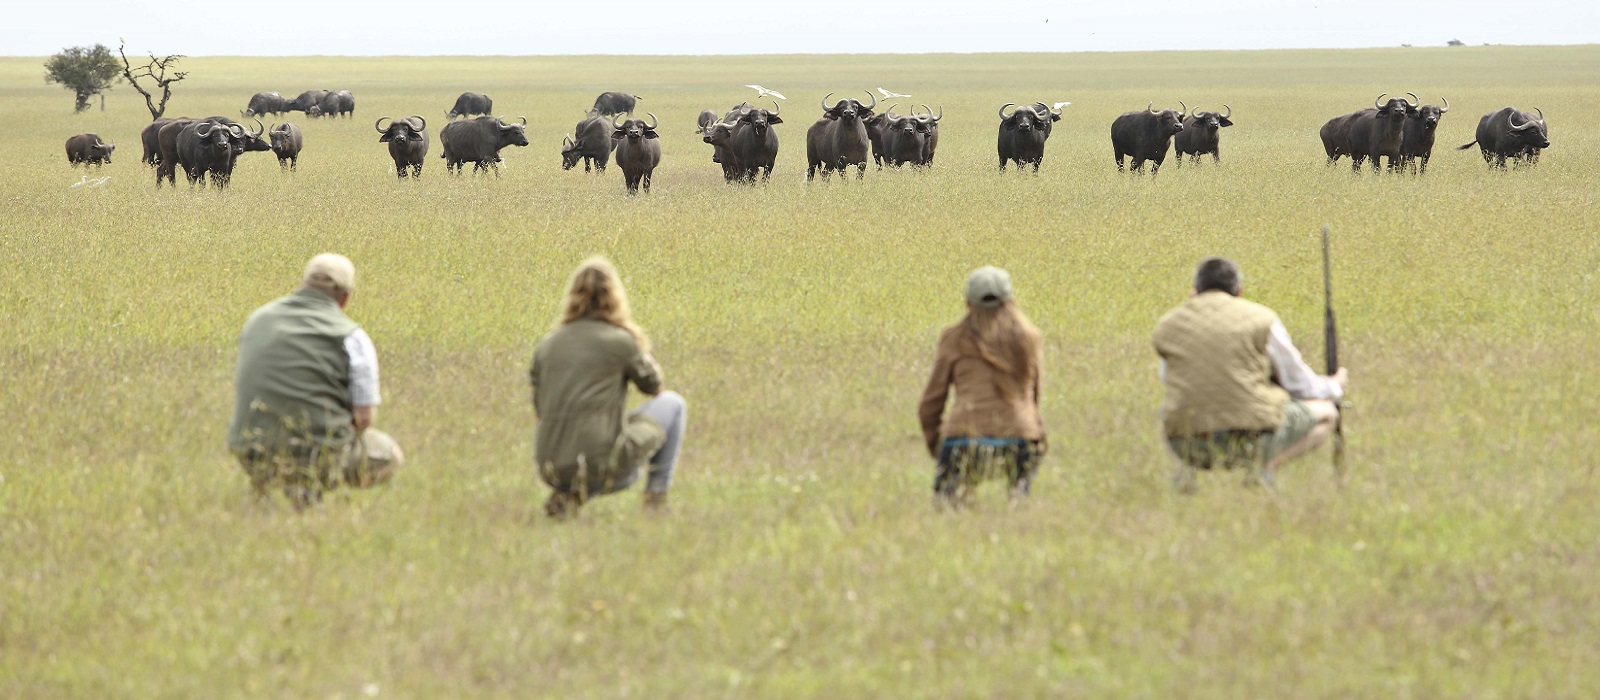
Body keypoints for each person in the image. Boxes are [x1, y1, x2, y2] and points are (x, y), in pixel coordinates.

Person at [1152, 257, 1348, 490]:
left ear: (1195, 291)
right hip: (1249, 438)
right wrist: (1334, 385)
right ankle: (1264, 469)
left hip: (1186, 444)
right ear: (1239, 291)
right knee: (1327, 414)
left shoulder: (1168, 325)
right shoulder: (1262, 319)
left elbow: (1169, 379)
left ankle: (1186, 475)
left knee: (1170, 414)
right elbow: (1300, 385)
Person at [228, 253, 404, 509]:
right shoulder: (353, 338)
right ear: (345, 298)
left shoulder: (258, 320)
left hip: (248, 449)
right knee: (389, 455)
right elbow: (364, 418)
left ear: (303, 285)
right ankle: (310, 498)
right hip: (315, 455)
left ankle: (264, 498)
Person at [530, 257, 686, 518]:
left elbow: (540, 410)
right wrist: (638, 346)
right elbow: (655, 388)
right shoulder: (620, 341)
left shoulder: (547, 345)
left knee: (598, 442)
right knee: (674, 404)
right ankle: (656, 502)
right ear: (615, 296)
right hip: (601, 464)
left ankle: (568, 497)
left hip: (550, 466)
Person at [917, 266, 1047, 505]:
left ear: (967, 303)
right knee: (1018, 501)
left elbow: (930, 404)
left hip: (964, 438)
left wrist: (938, 446)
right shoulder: (1030, 338)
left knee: (948, 508)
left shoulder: (953, 339)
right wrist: (1036, 434)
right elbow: (1034, 398)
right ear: (1011, 301)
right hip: (1021, 437)